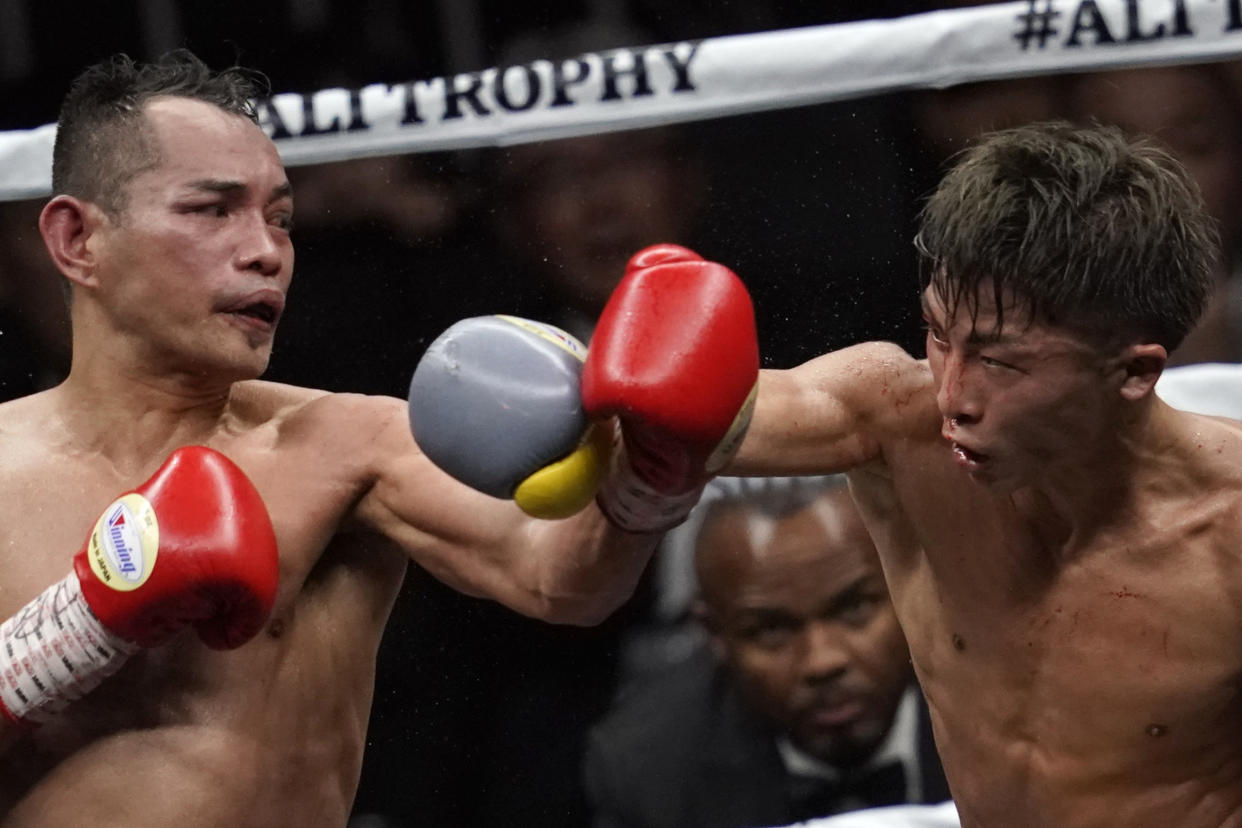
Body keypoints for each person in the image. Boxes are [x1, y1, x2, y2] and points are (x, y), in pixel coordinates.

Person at [0, 51, 758, 826]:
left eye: (281, 217)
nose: (266, 250)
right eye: (212, 209)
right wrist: (76, 631)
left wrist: (650, 478)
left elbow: (558, 581)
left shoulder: (346, 442)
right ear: (76, 239)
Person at [610, 121, 1237, 826]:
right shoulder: (894, 424)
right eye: (939, 335)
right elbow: (699, 414)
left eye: (1000, 362)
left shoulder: (1230, 536)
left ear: (1133, 371)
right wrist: (608, 388)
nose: (952, 397)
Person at [583, 475, 949, 828]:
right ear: (714, 635)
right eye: (771, 630)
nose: (822, 661)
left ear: (908, 587)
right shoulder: (648, 770)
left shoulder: (1000, 699)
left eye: (854, 609)